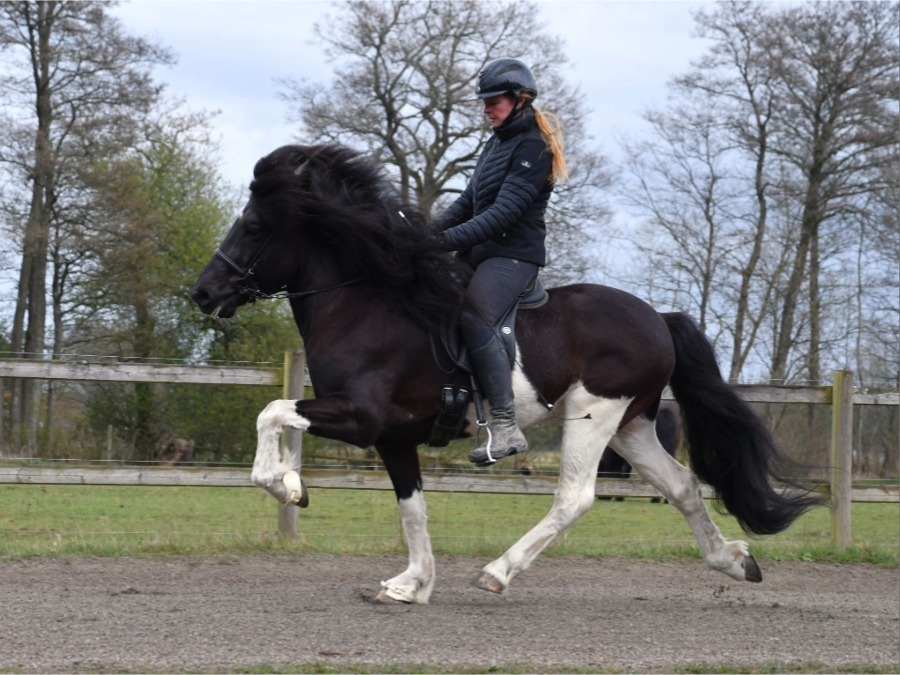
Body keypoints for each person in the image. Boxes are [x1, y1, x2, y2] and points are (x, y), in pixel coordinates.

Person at [432, 57, 568, 466]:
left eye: (494, 101)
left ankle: (506, 426)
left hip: (513, 256)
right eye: (485, 101)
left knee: (475, 317)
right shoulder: (497, 143)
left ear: (520, 99)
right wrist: (423, 236)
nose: (487, 108)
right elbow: (469, 202)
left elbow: (501, 215)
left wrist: (442, 241)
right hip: (482, 253)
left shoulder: (534, 147)